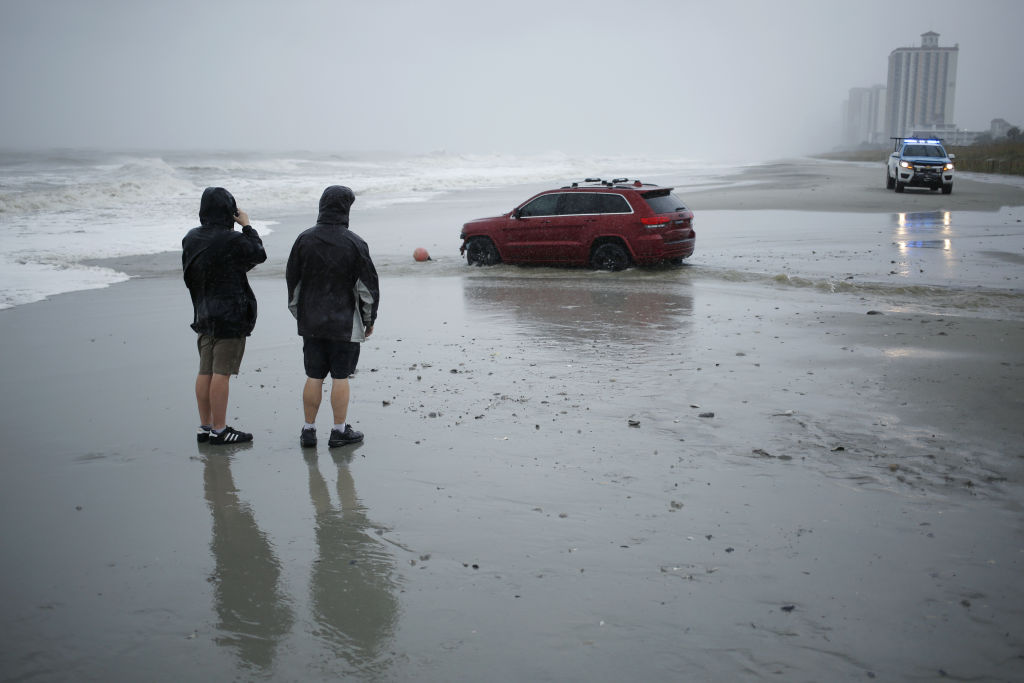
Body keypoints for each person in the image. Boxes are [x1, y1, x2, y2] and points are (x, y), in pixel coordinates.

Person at [286, 185, 379, 448]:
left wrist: (300, 315)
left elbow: (293, 284)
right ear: (346, 209)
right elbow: (367, 289)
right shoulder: (355, 243)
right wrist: (368, 320)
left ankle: (308, 430)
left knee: (314, 375)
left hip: (311, 322)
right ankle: (339, 431)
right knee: (340, 376)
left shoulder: (303, 240)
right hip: (344, 322)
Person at [182, 187, 267, 445]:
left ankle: (205, 426)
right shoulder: (232, 240)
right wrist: (247, 225)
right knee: (221, 373)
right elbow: (258, 253)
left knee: (205, 370)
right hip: (230, 315)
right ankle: (220, 430)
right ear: (229, 211)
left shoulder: (191, 237)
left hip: (203, 311)